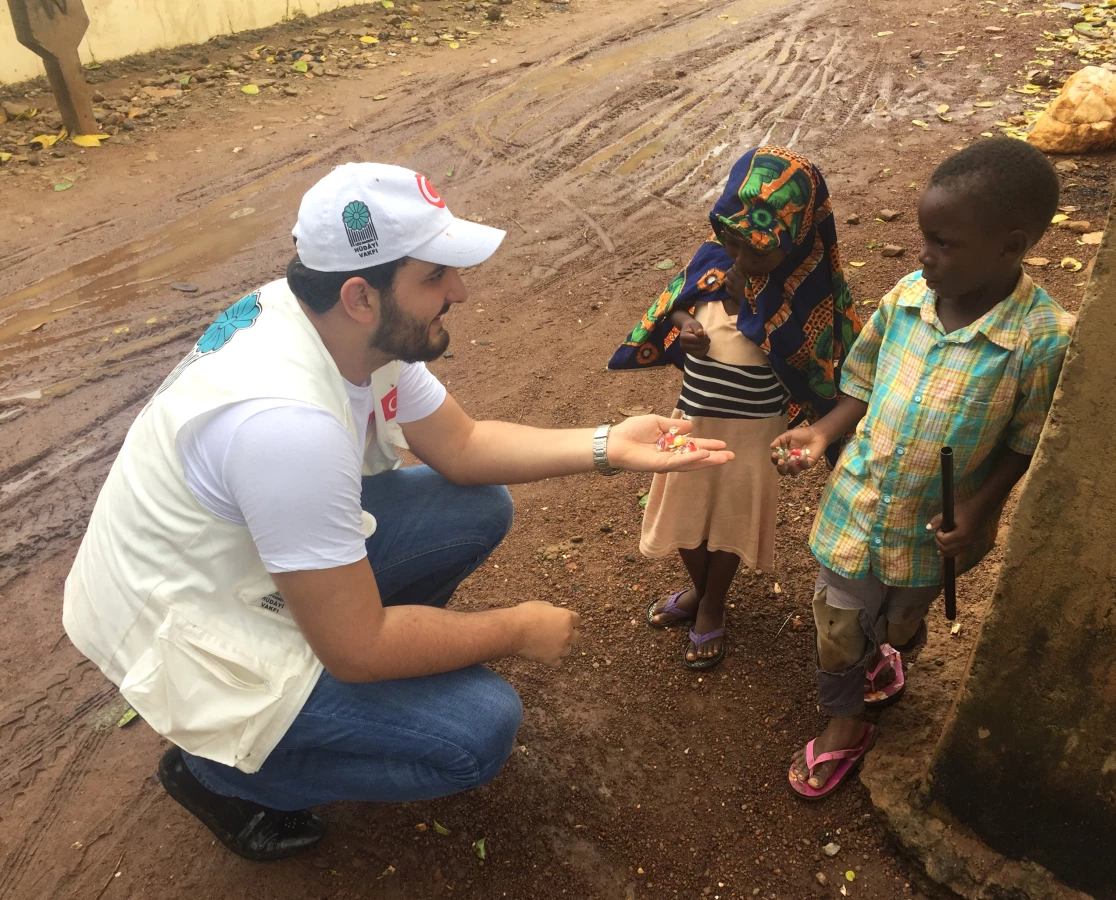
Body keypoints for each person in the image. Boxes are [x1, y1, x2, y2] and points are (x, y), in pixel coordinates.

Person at [61, 163, 733, 860]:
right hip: (183, 621)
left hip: (233, 564)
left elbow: (463, 446)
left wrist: (607, 445)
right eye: (436, 276)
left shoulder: (340, 326)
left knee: (476, 506)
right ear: (361, 295)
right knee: (479, 731)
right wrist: (516, 628)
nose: (460, 291)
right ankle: (220, 769)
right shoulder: (287, 426)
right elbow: (359, 649)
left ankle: (335, 683)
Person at [772, 138, 1075, 798]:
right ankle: (844, 725)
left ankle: (890, 655)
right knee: (837, 617)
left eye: (943, 243)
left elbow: (1027, 439)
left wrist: (982, 506)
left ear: (1010, 244)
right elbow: (863, 374)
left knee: (903, 619)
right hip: (859, 505)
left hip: (929, 530)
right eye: (923, 238)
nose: (924, 256)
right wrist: (825, 431)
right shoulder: (907, 297)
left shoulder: (1042, 338)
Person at [609, 147, 862, 669]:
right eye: (731, 243)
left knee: (727, 521)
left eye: (758, 254)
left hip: (753, 432)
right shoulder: (716, 255)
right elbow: (674, 301)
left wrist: (759, 314)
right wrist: (685, 325)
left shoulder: (810, 290)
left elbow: (821, 364)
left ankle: (713, 604)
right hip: (693, 417)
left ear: (794, 239)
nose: (739, 261)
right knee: (681, 509)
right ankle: (700, 592)